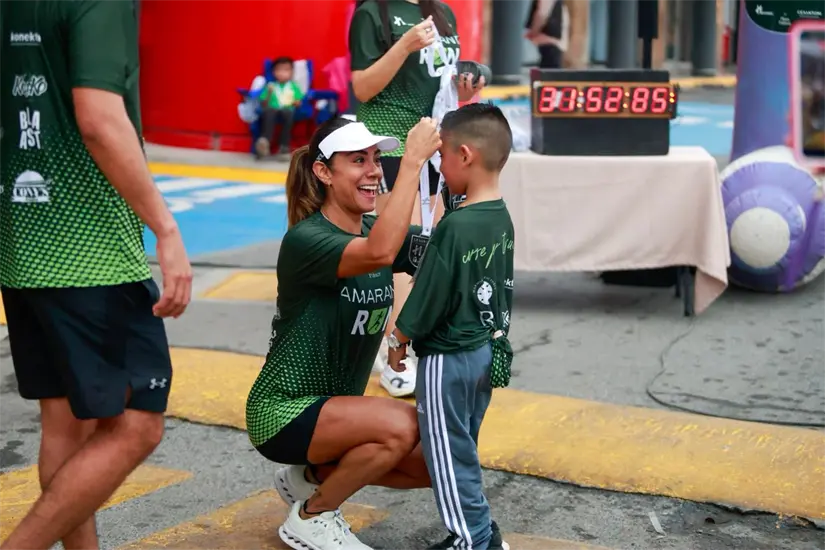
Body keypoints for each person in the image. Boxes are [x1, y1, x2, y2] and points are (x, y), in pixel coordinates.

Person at [0, 1, 193, 549]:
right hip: (90, 252)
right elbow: (99, 119)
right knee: (138, 424)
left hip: (23, 245)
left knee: (67, 426)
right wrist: (165, 228)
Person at [245, 115, 442, 550]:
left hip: (337, 415)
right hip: (284, 411)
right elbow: (380, 253)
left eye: (376, 159)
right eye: (359, 160)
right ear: (323, 172)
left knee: (433, 461)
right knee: (402, 426)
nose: (373, 170)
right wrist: (409, 162)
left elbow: (438, 252)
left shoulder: (374, 228)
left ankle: (308, 477)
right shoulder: (307, 240)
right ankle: (311, 518)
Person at [388, 103, 515, 550]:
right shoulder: (500, 215)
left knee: (447, 454)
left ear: (464, 155)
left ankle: (472, 539)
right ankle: (480, 532)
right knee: (461, 446)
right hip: (484, 349)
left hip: (448, 357)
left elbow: (430, 294)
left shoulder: (456, 227)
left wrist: (399, 337)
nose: (439, 166)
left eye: (441, 156)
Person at [349, 0, 487, 398]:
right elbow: (362, 86)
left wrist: (465, 89)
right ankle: (394, 354)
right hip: (390, 142)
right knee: (400, 249)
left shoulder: (443, 11)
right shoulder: (374, 12)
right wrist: (403, 46)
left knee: (427, 250)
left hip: (435, 139)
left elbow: (439, 87)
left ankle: (408, 341)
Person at [255, 56, 306, 160]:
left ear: (292, 72)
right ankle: (265, 141)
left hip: (287, 109)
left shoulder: (293, 86)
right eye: (279, 70)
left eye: (286, 70)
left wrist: (297, 102)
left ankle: (284, 146)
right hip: (272, 109)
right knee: (269, 112)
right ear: (274, 72)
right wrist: (269, 93)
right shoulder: (271, 85)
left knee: (288, 113)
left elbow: (299, 101)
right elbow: (264, 103)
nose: (282, 73)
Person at [525, 0, 570, 69]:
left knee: (548, 73)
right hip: (554, 41)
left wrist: (534, 31)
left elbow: (542, 13)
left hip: (549, 40)